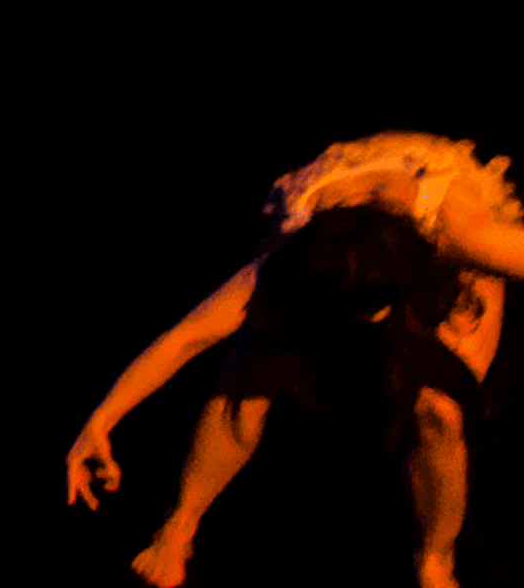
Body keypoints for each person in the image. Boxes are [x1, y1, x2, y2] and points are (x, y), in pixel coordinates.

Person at [64, 132, 520, 588]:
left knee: (441, 408)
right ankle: (181, 522)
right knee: (253, 363)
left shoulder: (460, 234)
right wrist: (102, 419)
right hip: (337, 220)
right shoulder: (295, 257)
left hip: (433, 213)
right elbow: (183, 339)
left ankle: (436, 558)